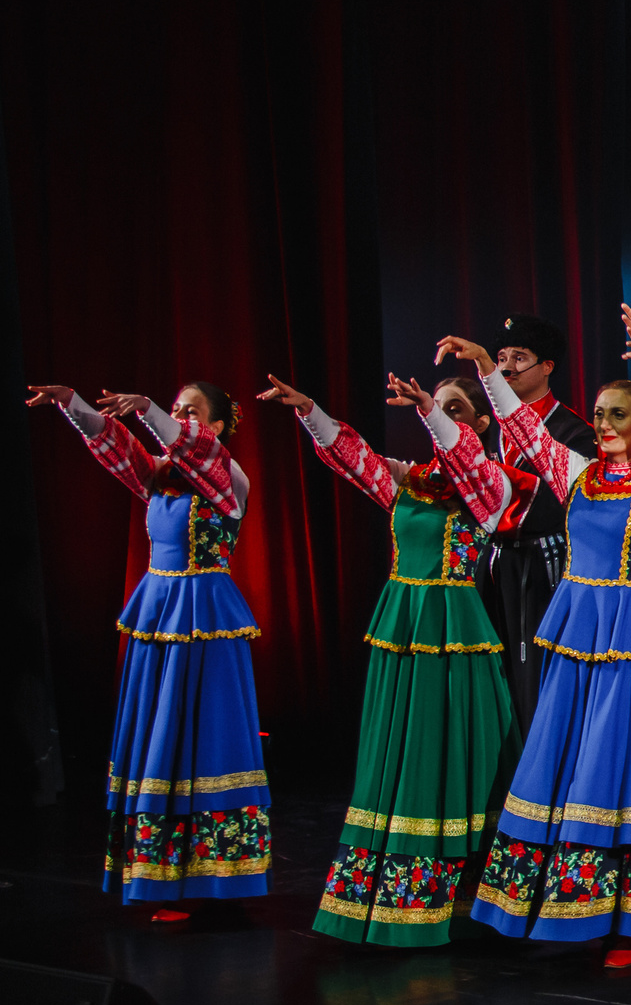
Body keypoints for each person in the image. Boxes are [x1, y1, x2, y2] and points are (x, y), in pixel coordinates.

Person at [441, 312, 631, 966]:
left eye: (620, 415)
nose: (606, 424)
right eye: (600, 413)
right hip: (577, 643)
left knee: (625, 775)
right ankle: (545, 907)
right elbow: (523, 425)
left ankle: (627, 922)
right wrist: (482, 369)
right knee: (559, 766)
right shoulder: (578, 473)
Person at [266, 370, 531, 947]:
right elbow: (356, 458)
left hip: (452, 636)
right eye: (440, 408)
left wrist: (427, 414)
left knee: (448, 757)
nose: (445, 416)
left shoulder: (492, 487)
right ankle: (387, 887)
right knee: (399, 756)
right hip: (403, 633)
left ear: (482, 423)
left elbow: (463, 460)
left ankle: (466, 885)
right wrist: (312, 408)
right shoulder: (413, 483)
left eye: (457, 409)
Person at [28, 380, 269, 913]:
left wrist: (151, 410)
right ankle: (158, 871)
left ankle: (209, 877)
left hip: (202, 617)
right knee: (157, 734)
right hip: (158, 610)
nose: (179, 418)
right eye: (175, 409)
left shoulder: (227, 477)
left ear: (217, 426)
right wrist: (74, 404)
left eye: (190, 412)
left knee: (197, 736)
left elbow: (196, 452)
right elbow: (113, 444)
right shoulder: (160, 474)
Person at [475, 313, 596, 734]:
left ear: (547, 366)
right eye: (501, 356)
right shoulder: (492, 431)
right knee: (495, 668)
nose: (506, 366)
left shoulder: (573, 432)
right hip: (496, 566)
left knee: (535, 673)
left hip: (543, 567)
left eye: (519, 357)